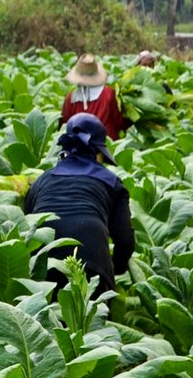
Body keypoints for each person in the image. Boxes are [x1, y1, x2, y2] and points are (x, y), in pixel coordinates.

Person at [24, 113, 135, 297]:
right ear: (98, 152)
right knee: (94, 322)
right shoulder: (112, 183)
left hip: (43, 263)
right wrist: (115, 270)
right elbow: (124, 240)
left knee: (42, 322)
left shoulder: (42, 180)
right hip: (92, 261)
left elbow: (26, 226)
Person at [60, 53, 128, 140]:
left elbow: (64, 126)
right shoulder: (109, 93)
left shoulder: (70, 98)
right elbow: (120, 122)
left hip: (81, 147)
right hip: (107, 144)